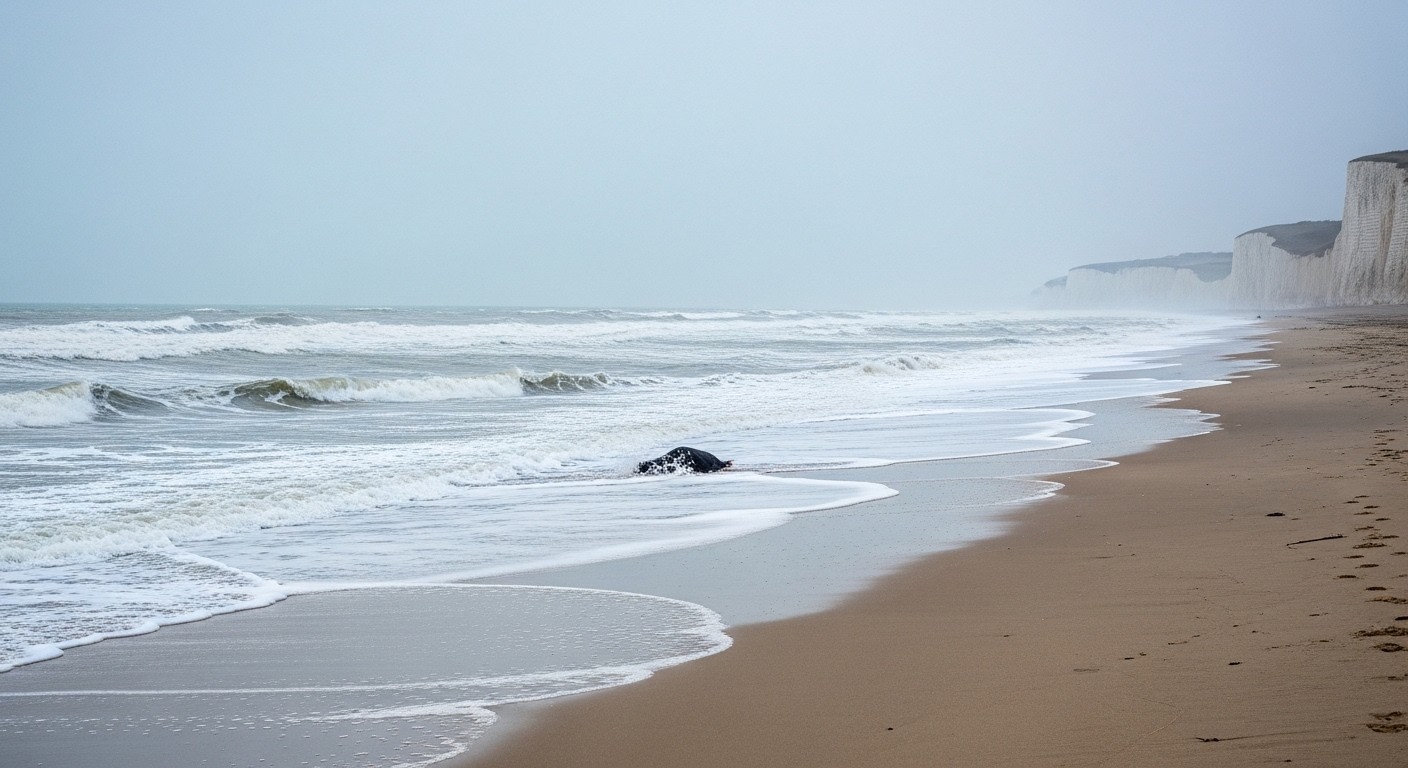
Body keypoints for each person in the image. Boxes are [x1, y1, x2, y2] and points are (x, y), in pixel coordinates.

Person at [634, 446, 733, 475]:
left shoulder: (660, 467)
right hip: (689, 454)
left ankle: (720, 466)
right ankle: (721, 465)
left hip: (688, 455)